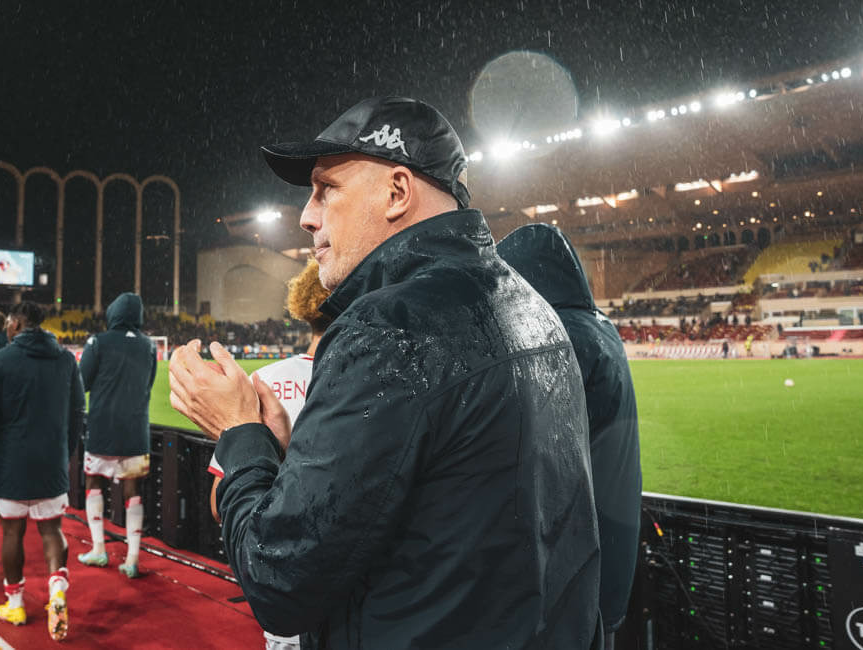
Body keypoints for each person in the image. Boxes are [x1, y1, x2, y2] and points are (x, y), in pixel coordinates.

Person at [169, 97, 602, 648]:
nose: (307, 216)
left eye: (326, 189)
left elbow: (277, 581)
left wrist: (239, 433)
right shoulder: (532, 305)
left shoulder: (387, 326)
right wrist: (292, 456)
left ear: (397, 192)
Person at [498, 224, 643, 650]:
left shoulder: (560, 337)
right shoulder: (599, 330)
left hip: (572, 577)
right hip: (604, 558)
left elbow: (527, 460)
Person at [206, 259, 332, 650]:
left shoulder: (262, 382)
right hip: (349, 600)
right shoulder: (371, 383)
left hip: (278, 587)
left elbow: (218, 503)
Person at [0, 302, 85, 640]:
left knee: (12, 533)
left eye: (8, 322)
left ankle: (15, 603)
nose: (6, 327)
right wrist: (65, 451)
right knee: (52, 530)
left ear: (17, 324)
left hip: (10, 462)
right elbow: (78, 410)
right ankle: (57, 588)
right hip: (51, 460)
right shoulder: (65, 359)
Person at [75, 293, 157, 578]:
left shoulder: (98, 342)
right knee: (133, 491)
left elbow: (81, 383)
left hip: (103, 427)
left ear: (113, 313)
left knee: (94, 482)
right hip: (136, 430)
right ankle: (132, 558)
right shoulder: (149, 346)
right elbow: (148, 383)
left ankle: (99, 548)